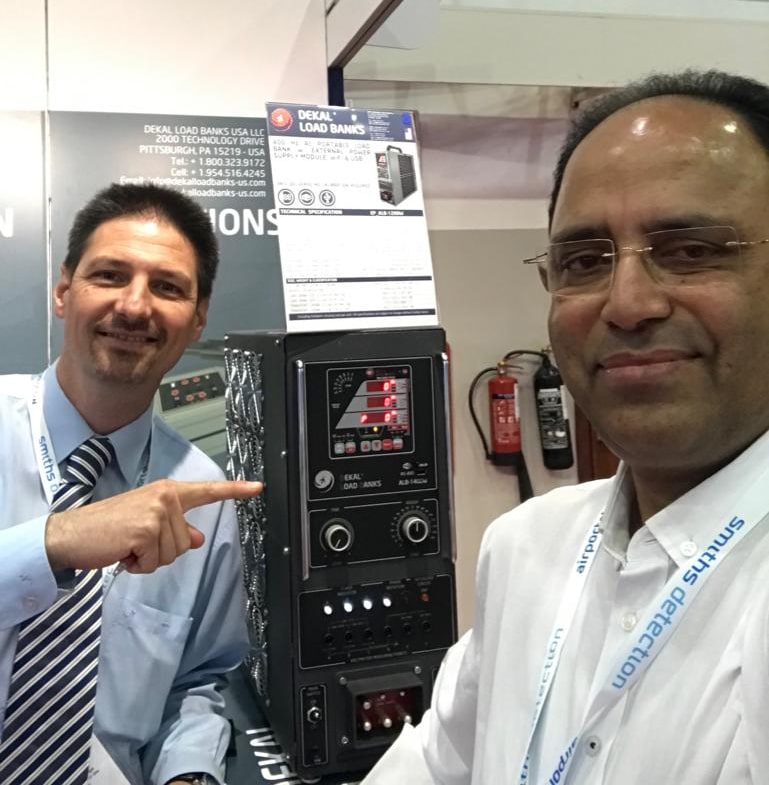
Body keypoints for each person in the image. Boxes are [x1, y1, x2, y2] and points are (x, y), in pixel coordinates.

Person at [362, 69, 769, 785]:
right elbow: (436, 764)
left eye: (690, 250)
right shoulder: (527, 546)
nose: (628, 304)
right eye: (583, 261)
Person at [0, 183, 261, 785]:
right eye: (110, 275)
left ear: (198, 319)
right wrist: (54, 543)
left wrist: (188, 772)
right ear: (64, 291)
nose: (135, 306)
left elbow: (197, 680)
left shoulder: (202, 494)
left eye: (167, 287)